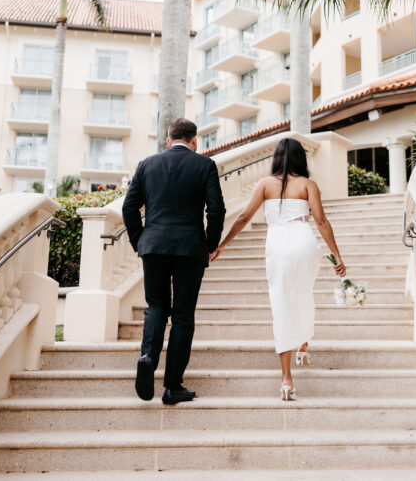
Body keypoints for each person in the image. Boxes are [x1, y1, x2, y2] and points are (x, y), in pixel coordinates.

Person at [213, 137, 346, 400]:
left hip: (278, 245)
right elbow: (320, 221)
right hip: (304, 240)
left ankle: (286, 379)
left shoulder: (264, 184)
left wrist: (222, 245)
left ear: (276, 158)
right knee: (303, 292)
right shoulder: (309, 184)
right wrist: (337, 256)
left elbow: (243, 217)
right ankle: (303, 344)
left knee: (281, 302)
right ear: (300, 159)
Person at [122, 118, 225, 405]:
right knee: (182, 316)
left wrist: (140, 241)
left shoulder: (146, 165)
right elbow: (216, 210)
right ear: (195, 141)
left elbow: (129, 207)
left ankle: (148, 356)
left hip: (153, 247)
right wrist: (210, 245)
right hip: (189, 249)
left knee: (156, 306)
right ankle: (172, 386)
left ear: (168, 140)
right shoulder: (205, 165)